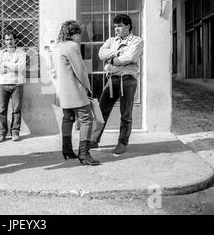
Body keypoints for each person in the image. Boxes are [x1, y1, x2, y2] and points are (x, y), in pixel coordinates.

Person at [50, 20, 100, 166]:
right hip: (75, 90)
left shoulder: (56, 47)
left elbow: (53, 70)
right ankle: (84, 154)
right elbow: (80, 70)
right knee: (86, 119)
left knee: (67, 118)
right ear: (73, 34)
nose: (80, 37)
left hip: (62, 90)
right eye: (78, 34)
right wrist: (88, 87)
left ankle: (67, 150)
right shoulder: (72, 46)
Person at [95, 14, 144, 155]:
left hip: (128, 79)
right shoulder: (111, 40)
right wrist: (117, 52)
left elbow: (131, 57)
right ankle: (93, 139)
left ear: (128, 26)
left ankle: (122, 143)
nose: (116, 29)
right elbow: (101, 53)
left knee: (125, 114)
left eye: (120, 26)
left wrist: (112, 61)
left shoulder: (137, 41)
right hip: (112, 79)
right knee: (101, 110)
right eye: (115, 26)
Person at [0, 30, 26, 142]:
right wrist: (14, 66)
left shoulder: (21, 53)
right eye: (7, 39)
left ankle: (15, 132)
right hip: (3, 84)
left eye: (11, 39)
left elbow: (20, 68)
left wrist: (6, 64)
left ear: (15, 39)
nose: (9, 41)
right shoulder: (0, 54)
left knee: (16, 110)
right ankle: (2, 133)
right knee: (2, 110)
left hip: (17, 84)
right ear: (4, 41)